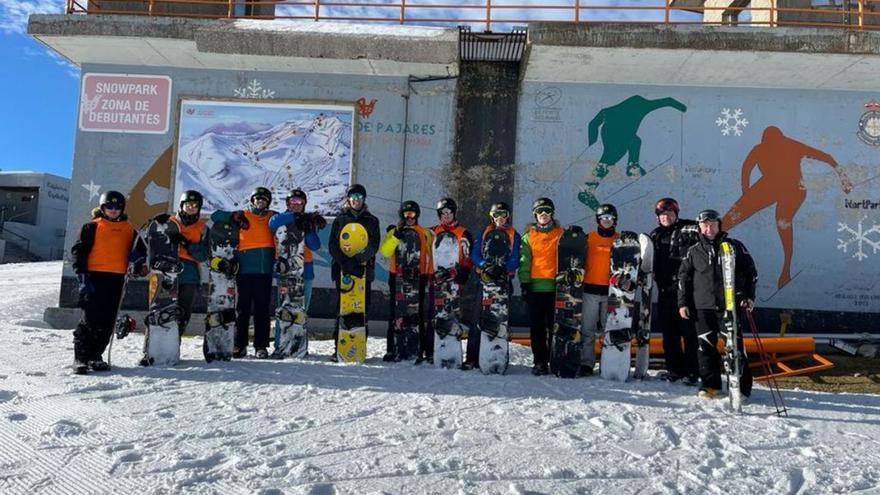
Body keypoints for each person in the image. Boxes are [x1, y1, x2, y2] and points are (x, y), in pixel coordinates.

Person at [678, 209, 757, 399]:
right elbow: (684, 279)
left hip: (728, 307)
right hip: (702, 307)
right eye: (705, 225)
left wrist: (748, 296)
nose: (709, 229)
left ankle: (741, 387)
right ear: (699, 227)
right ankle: (710, 385)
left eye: (712, 225)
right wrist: (683, 303)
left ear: (719, 225)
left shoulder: (734, 247)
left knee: (735, 347)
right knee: (705, 347)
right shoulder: (694, 251)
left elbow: (751, 273)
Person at [70, 191, 147, 374]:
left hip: (116, 279)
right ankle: (81, 357)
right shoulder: (91, 227)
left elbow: (141, 253)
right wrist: (82, 277)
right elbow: (78, 252)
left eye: (117, 207)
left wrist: (136, 260)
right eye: (109, 207)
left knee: (107, 320)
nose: (113, 210)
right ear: (103, 208)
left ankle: (96, 356)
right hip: (93, 278)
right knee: (90, 319)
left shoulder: (129, 230)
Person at [210, 187, 277, 359]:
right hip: (244, 270)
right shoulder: (243, 215)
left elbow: (288, 219)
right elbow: (215, 216)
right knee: (242, 309)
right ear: (252, 200)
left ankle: (261, 346)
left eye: (264, 200)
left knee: (262, 309)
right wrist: (233, 216)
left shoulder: (272, 216)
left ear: (268, 202)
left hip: (264, 270)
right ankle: (240, 344)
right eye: (257, 199)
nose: (260, 202)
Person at [649, 197, 700, 385]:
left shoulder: (688, 228)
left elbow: (706, 232)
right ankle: (674, 370)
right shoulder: (655, 235)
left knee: (689, 333)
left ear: (676, 214)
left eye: (670, 214)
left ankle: (693, 372)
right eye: (662, 215)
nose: (666, 217)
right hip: (664, 291)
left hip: (686, 292)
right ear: (657, 217)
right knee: (669, 334)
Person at [328, 184, 381, 357]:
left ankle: (359, 347)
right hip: (343, 269)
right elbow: (333, 245)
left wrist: (358, 260)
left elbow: (374, 245)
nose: (356, 200)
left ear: (364, 199)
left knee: (362, 308)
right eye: (353, 196)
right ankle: (339, 348)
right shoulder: (340, 219)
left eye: (359, 196)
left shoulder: (372, 220)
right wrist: (346, 262)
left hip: (363, 270)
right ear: (348, 199)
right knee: (342, 308)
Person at [151, 190, 211, 338]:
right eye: (188, 204)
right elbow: (152, 241)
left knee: (183, 311)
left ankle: (175, 341)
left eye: (195, 205)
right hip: (167, 271)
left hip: (189, 273)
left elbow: (203, 255)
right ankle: (155, 343)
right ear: (181, 205)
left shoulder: (202, 228)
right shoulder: (170, 222)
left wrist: (186, 243)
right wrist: (157, 223)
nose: (191, 207)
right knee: (162, 308)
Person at [469, 201, 521, 370]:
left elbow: (516, 257)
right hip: (485, 281)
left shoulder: (514, 234)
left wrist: (504, 269)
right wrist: (485, 265)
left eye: (503, 215)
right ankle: (472, 357)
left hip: (503, 282)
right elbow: (474, 254)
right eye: (497, 215)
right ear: (492, 216)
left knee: (499, 319)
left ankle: (496, 356)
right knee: (478, 318)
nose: (500, 218)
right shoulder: (484, 232)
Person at [379, 200, 433, 362]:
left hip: (419, 276)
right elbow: (385, 252)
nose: (409, 217)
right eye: (406, 214)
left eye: (412, 214)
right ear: (401, 215)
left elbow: (430, 254)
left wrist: (429, 275)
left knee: (417, 312)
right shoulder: (395, 231)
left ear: (417, 215)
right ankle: (392, 348)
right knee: (396, 312)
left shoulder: (424, 233)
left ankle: (418, 349)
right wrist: (395, 237)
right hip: (398, 276)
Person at [518, 197, 564, 376]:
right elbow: (524, 262)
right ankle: (540, 362)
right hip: (536, 289)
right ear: (535, 214)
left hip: (556, 288)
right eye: (540, 212)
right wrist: (525, 283)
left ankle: (555, 360)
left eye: (547, 211)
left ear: (552, 213)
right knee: (537, 328)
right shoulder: (528, 236)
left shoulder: (560, 233)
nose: (543, 215)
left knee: (555, 327)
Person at [428, 198, 474, 366]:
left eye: (449, 213)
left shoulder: (463, 233)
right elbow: (423, 252)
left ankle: (453, 348)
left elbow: (469, 256)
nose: (446, 216)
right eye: (443, 213)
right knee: (435, 315)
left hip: (456, 280)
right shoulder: (433, 232)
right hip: (438, 280)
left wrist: (465, 271)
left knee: (453, 315)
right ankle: (432, 350)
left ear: (454, 213)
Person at [268, 189, 325, 311]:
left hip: (305, 267)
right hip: (285, 269)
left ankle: (301, 328)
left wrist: (308, 227)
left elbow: (314, 245)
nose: (296, 204)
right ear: (288, 203)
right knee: (284, 307)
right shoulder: (279, 218)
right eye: (293, 201)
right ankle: (280, 330)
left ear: (304, 204)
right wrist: (297, 217)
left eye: (300, 201)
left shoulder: (307, 221)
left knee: (302, 307)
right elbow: (273, 223)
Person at [580, 203, 620, 376]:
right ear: (598, 219)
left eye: (610, 218)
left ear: (615, 220)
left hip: (612, 292)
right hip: (590, 290)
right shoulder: (589, 238)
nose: (606, 221)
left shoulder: (620, 240)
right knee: (587, 330)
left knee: (608, 330)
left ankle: (608, 362)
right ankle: (586, 363)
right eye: (603, 218)